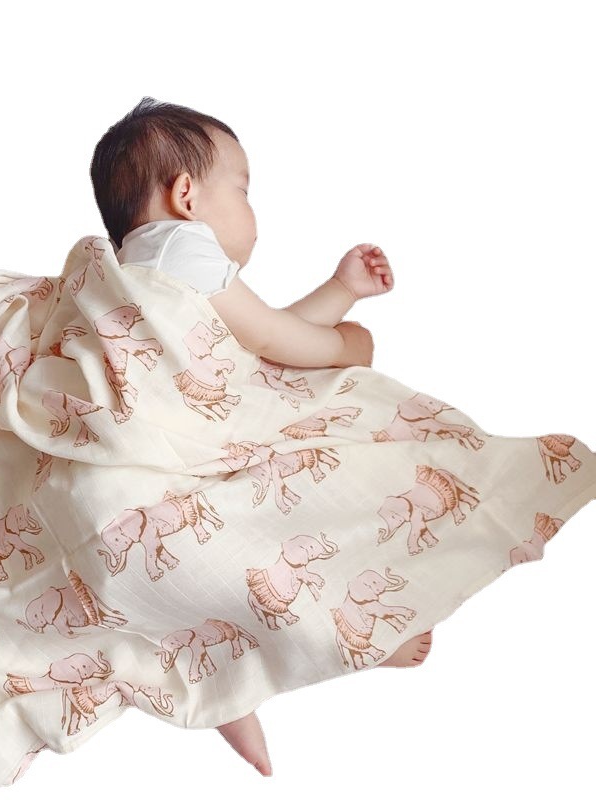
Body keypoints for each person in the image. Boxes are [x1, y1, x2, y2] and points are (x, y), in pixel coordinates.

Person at [90, 96, 433, 776]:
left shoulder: (139, 269)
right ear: (187, 196)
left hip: (128, 474)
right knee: (301, 508)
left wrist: (340, 289)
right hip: (167, 460)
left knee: (209, 572)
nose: (252, 209)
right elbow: (277, 341)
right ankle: (354, 634)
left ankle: (225, 693)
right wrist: (349, 346)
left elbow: (250, 346)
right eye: (243, 189)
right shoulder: (182, 246)